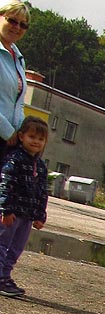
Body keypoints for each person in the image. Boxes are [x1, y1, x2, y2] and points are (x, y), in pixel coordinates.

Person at [0, 115, 47, 297]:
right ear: (21, 137)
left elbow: (42, 192)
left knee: (17, 247)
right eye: (32, 137)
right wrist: (6, 209)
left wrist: (39, 214)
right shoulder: (14, 160)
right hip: (11, 213)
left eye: (40, 139)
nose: (36, 142)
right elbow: (5, 184)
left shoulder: (40, 166)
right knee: (2, 244)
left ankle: (5, 275)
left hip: (26, 215)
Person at [0, 0, 28, 153]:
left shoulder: (18, 58)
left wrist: (23, 133)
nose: (17, 27)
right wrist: (6, 130)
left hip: (10, 142)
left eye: (23, 24)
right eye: (12, 21)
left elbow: (19, 102)